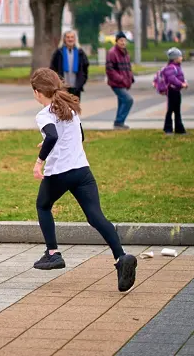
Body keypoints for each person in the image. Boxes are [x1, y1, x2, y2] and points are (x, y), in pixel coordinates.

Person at [30, 68, 137, 292]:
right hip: (82, 171)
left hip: (61, 172)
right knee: (95, 216)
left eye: (34, 91)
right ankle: (121, 257)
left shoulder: (44, 114)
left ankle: (53, 253)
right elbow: (78, 135)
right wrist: (51, 145)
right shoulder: (69, 108)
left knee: (43, 205)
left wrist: (39, 162)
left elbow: (52, 135)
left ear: (39, 92)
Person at [106, 32, 135, 129]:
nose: (123, 42)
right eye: (121, 40)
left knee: (122, 102)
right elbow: (110, 70)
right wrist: (121, 79)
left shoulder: (125, 52)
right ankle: (119, 121)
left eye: (124, 40)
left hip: (124, 83)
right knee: (128, 100)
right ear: (116, 41)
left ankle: (119, 123)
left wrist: (130, 78)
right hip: (116, 83)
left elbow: (128, 68)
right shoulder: (112, 52)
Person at [49, 30, 90, 99]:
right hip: (62, 87)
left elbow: (85, 68)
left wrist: (81, 82)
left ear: (75, 39)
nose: (70, 39)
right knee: (63, 108)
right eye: (68, 37)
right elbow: (52, 68)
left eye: (72, 37)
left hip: (76, 87)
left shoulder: (80, 52)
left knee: (75, 108)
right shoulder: (59, 52)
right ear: (64, 39)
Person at [162, 48, 188, 135]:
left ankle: (179, 128)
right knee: (170, 110)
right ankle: (168, 128)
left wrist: (184, 82)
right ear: (175, 58)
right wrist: (181, 84)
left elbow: (180, 77)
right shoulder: (171, 68)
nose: (182, 58)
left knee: (177, 110)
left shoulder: (177, 67)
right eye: (180, 56)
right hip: (172, 91)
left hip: (177, 91)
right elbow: (172, 79)